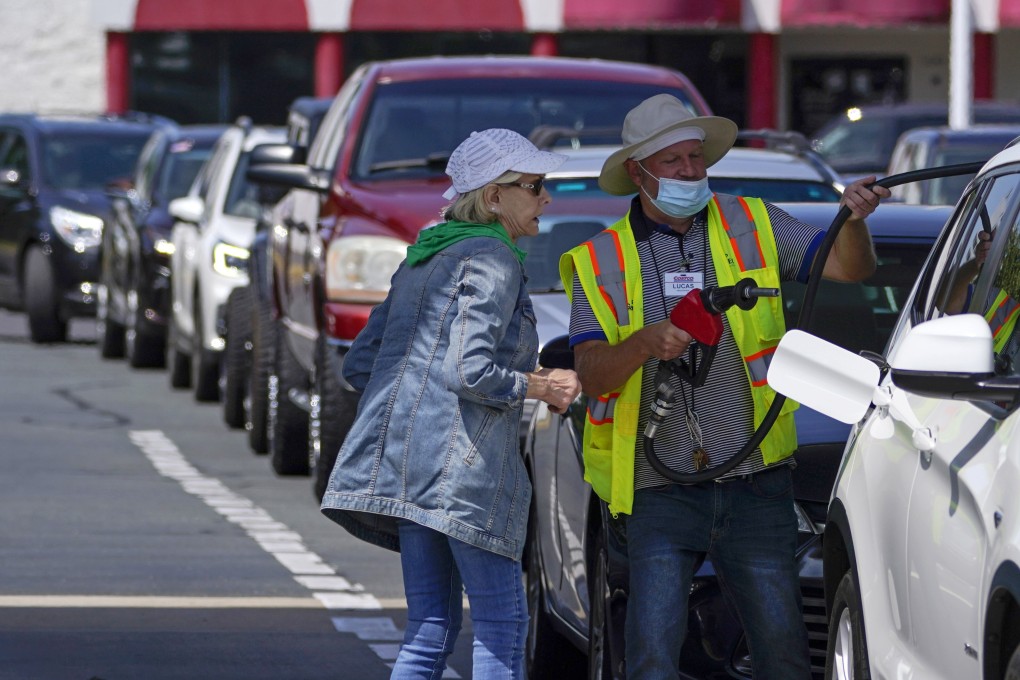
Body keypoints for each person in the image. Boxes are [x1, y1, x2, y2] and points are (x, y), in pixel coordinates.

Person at [560, 94, 888, 679]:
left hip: (754, 484)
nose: (691, 171)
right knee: (652, 659)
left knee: (783, 655)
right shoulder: (599, 258)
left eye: (697, 158)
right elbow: (590, 375)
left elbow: (848, 268)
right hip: (657, 490)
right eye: (674, 162)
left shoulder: (752, 221)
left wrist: (854, 221)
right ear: (637, 172)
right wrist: (642, 344)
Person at [320, 127, 582, 679]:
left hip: (409, 469)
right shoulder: (494, 258)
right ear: (494, 197)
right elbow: (470, 370)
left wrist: (421, 404)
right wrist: (543, 384)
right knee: (502, 625)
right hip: (467, 474)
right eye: (534, 186)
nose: (545, 199)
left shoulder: (426, 254)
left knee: (429, 628)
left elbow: (361, 363)